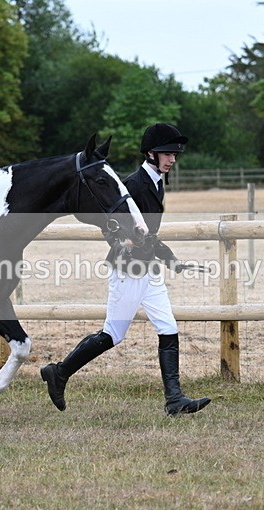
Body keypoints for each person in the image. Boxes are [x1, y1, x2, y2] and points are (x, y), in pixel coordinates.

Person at [40, 123, 211, 416]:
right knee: (113, 334)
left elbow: (149, 233)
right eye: (167, 154)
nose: (172, 159)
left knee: (168, 327)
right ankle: (59, 372)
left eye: (174, 155)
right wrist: (122, 242)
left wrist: (171, 259)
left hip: (149, 270)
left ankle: (174, 400)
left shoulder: (156, 183)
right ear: (151, 153)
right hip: (129, 269)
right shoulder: (133, 184)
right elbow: (110, 224)